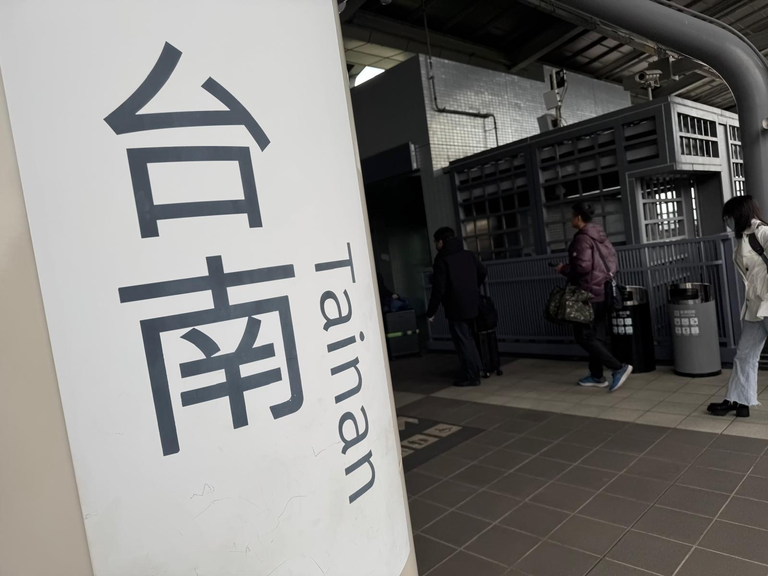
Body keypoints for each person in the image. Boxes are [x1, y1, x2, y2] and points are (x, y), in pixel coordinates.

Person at [556, 202, 632, 392]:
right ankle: (596, 375)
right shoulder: (600, 237)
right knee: (595, 337)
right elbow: (612, 262)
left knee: (584, 337)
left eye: (572, 215)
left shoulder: (582, 239)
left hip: (588, 295)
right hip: (603, 293)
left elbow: (582, 267)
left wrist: (563, 268)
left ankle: (618, 367)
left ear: (578, 217)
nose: (570, 219)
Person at [708, 195, 768, 418]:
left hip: (767, 305)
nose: (729, 221)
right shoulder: (744, 237)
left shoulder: (762, 233)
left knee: (746, 356)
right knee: (744, 355)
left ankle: (738, 400)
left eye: (731, 216)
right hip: (755, 308)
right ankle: (738, 401)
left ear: (740, 214)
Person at [426, 227, 487, 387]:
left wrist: (431, 311)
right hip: (472, 303)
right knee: (469, 338)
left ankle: (472, 376)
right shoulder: (468, 255)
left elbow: (439, 288)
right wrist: (474, 287)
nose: (435, 245)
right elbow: (482, 271)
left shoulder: (442, 260)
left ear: (441, 241)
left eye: (435, 241)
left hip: (455, 306)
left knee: (462, 340)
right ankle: (477, 369)